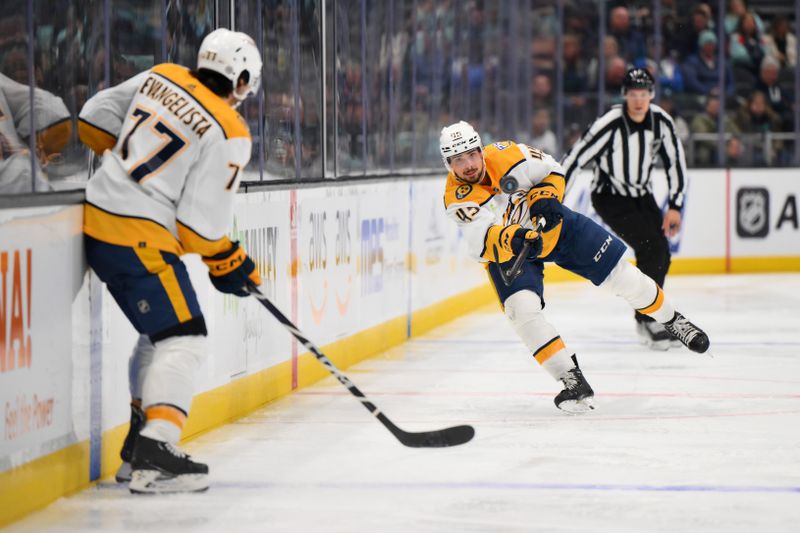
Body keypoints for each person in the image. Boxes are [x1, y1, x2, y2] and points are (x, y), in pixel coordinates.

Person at [77, 28, 263, 494]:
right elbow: (200, 229)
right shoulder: (229, 129)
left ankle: (138, 450)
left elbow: (93, 120)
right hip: (139, 240)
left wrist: (126, 168)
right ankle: (156, 453)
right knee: (185, 337)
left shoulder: (162, 75)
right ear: (241, 79)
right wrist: (229, 260)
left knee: (158, 335)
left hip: (100, 224)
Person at [440, 120, 709, 413]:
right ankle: (571, 379)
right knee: (522, 311)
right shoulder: (457, 198)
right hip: (511, 251)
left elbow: (554, 169)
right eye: (457, 160)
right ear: (449, 164)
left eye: (470, 154)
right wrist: (515, 238)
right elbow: (483, 241)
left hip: (556, 228)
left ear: (480, 149)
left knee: (621, 276)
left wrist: (544, 198)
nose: (467, 165)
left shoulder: (508, 154)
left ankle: (673, 320)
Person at [560, 68, 691, 351]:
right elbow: (576, 157)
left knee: (660, 252)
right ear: (624, 96)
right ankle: (648, 319)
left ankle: (648, 316)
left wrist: (676, 205)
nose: (639, 100)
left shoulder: (662, 123)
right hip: (609, 197)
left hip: (641, 195)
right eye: (633, 94)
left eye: (644, 94)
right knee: (651, 248)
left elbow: (675, 164)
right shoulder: (609, 123)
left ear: (652, 95)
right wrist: (553, 196)